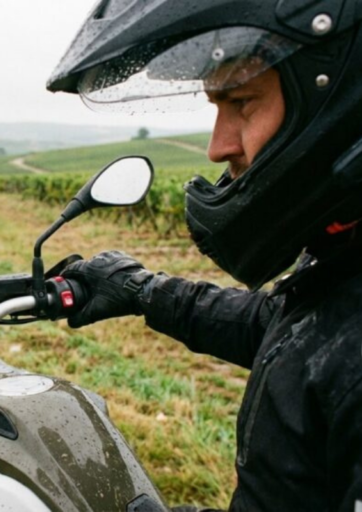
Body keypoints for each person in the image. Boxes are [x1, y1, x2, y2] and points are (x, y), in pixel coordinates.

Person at [46, 1, 362, 511]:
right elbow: (292, 331)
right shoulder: (344, 258)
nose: (217, 147)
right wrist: (142, 290)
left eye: (242, 102)